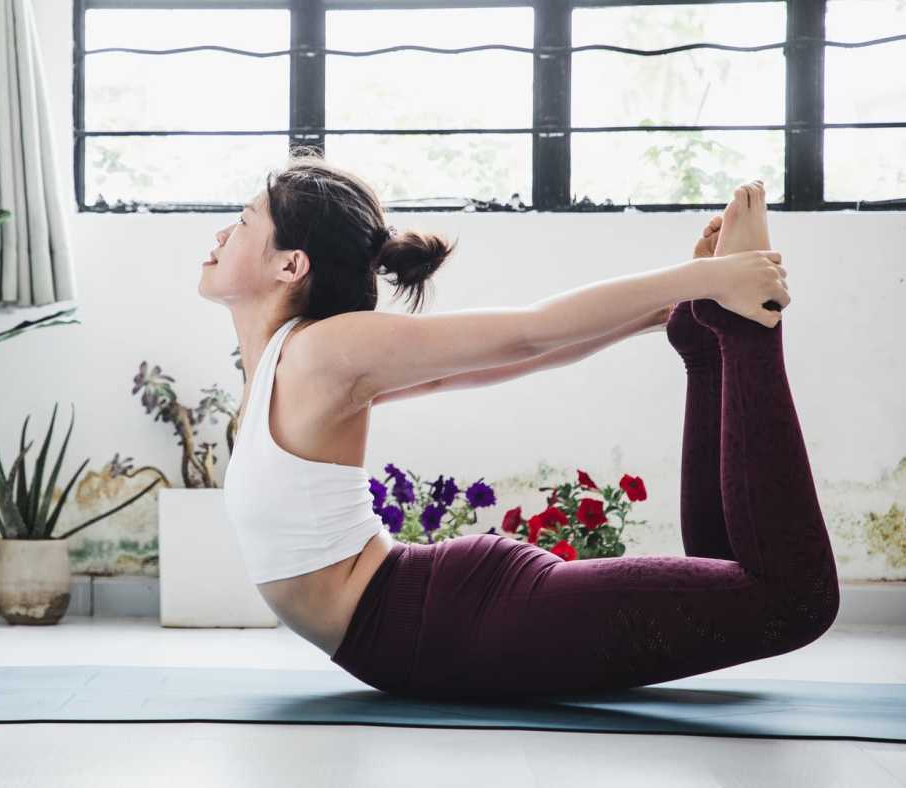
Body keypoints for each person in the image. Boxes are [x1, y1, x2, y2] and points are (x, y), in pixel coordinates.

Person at [200, 147, 836, 699]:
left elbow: (531, 333)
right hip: (429, 621)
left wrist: (707, 278)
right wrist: (680, 302)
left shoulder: (322, 351)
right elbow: (501, 364)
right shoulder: (285, 361)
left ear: (291, 264)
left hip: (449, 621)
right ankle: (708, 335)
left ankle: (747, 328)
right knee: (726, 573)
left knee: (791, 601)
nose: (222, 234)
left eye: (243, 221)